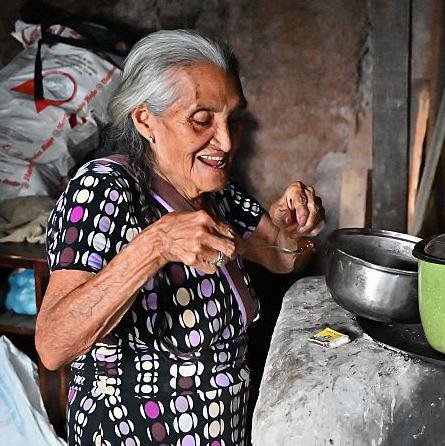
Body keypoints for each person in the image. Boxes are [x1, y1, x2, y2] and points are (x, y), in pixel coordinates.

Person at [35, 29, 325, 445]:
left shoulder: (215, 190)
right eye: (202, 119)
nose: (225, 142)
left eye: (234, 119)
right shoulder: (105, 189)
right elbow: (53, 344)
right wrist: (155, 246)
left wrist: (293, 225)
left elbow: (282, 257)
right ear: (145, 120)